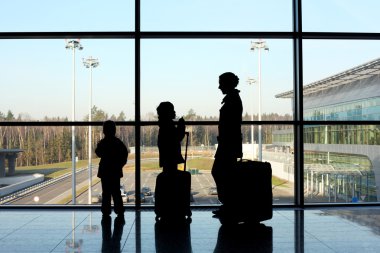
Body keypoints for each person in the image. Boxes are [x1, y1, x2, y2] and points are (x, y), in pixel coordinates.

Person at [212, 72, 243, 217]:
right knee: (225, 174)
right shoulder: (232, 99)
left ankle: (229, 204)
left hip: (228, 144)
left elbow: (231, 125)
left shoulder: (232, 100)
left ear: (228, 84)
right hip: (228, 143)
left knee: (221, 173)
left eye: (221, 83)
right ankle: (229, 205)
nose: (219, 87)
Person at [95, 120, 129, 217]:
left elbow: (98, 153)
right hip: (115, 171)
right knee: (116, 192)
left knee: (106, 192)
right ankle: (119, 209)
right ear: (114, 130)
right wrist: (120, 165)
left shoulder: (103, 142)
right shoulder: (118, 142)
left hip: (105, 170)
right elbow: (124, 154)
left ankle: (106, 210)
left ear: (104, 131)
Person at [156, 101, 186, 172]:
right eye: (172, 110)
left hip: (167, 159)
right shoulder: (168, 126)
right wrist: (181, 126)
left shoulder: (164, 126)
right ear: (167, 113)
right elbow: (177, 137)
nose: (174, 112)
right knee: (171, 173)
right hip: (171, 158)